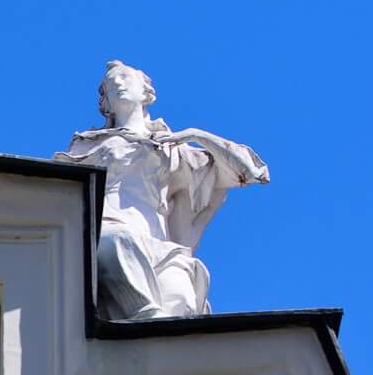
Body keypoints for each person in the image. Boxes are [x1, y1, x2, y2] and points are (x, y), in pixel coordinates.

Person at [59, 60, 268, 321]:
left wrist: (194, 135)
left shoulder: (170, 145)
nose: (117, 84)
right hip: (111, 229)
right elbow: (59, 193)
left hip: (160, 246)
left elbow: (250, 171)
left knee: (181, 306)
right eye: (110, 85)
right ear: (106, 103)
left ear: (147, 92)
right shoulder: (85, 146)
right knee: (119, 246)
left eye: (124, 78)